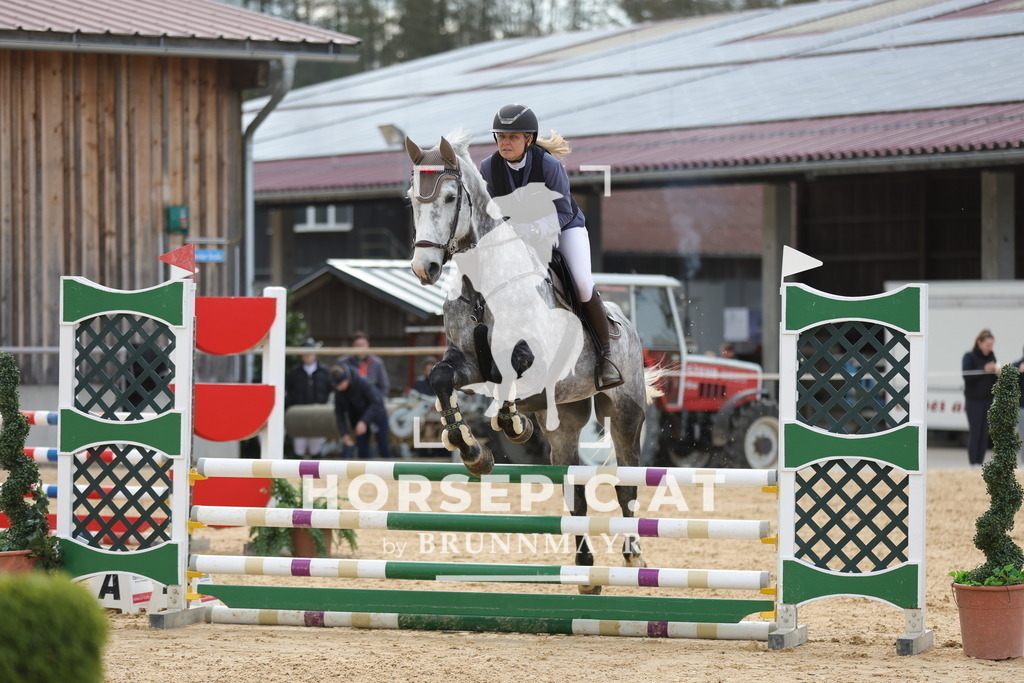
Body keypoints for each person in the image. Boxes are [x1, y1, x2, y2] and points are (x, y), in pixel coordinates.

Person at [479, 103, 623, 391]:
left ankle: (606, 357)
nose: (505, 143)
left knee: (582, 284)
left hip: (564, 228)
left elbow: (565, 212)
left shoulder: (549, 165)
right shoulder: (488, 168)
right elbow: (491, 211)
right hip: (517, 234)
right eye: (501, 137)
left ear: (529, 139)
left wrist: (533, 229)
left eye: (513, 137)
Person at [339, 331, 392, 457]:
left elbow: (384, 387)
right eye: (357, 345)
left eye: (363, 344)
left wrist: (376, 400)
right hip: (357, 410)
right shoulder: (344, 363)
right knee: (361, 447)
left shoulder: (376, 363)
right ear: (353, 346)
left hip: (376, 408)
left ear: (368, 345)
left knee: (383, 446)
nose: (360, 348)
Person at [283, 338, 332, 459]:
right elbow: (288, 391)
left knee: (316, 446)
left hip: (317, 413)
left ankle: (316, 476)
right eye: (305, 352)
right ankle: (297, 476)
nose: (308, 355)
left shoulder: (324, 371)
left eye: (310, 352)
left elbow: (331, 391)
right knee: (299, 446)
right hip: (299, 412)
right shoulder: (295, 372)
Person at [331, 364, 393, 460]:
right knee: (362, 450)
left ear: (346, 379)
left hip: (377, 416)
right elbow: (339, 413)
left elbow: (377, 402)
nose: (338, 387)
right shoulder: (339, 392)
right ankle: (365, 474)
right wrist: (344, 433)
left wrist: (364, 420)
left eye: (340, 384)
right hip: (358, 420)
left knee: (383, 448)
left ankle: (391, 472)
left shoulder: (362, 383)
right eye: (336, 386)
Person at [962, 329, 998, 468]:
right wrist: (984, 369)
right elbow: (967, 376)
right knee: (975, 431)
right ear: (980, 343)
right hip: (973, 400)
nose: (990, 348)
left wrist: (996, 372)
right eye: (988, 345)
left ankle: (979, 462)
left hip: (988, 399)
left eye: (991, 345)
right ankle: (973, 462)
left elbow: (992, 377)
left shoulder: (992, 356)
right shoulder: (969, 356)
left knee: (984, 433)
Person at [1012, 345, 1024, 455]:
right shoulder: (1016, 366)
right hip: (1021, 407)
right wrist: (1020, 373)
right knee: (1023, 436)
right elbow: (1010, 385)